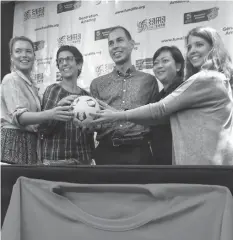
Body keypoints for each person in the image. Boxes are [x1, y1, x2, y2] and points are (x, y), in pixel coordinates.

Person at [91, 26, 233, 165]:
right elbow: (162, 119)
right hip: (197, 164)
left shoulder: (208, 78)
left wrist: (118, 115)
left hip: (207, 166)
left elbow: (160, 109)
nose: (192, 51)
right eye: (189, 47)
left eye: (199, 45)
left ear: (213, 47)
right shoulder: (211, 78)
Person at [90, 26, 159, 165]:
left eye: (120, 40)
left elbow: (154, 118)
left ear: (132, 44)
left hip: (140, 152)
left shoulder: (148, 81)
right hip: (106, 153)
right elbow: (94, 123)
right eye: (111, 43)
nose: (115, 46)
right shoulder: (97, 84)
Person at [1, 36, 73, 165]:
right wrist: (51, 113)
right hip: (13, 142)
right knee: (13, 183)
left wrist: (58, 106)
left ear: (34, 56)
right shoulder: (10, 79)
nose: (24, 55)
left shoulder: (32, 85)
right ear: (11, 56)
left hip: (31, 143)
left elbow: (37, 118)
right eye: (18, 51)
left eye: (28, 51)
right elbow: (21, 117)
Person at [39, 45, 94, 165]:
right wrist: (57, 110)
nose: (64, 63)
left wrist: (90, 127)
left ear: (79, 64)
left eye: (68, 59)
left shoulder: (87, 96)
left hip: (83, 160)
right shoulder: (52, 90)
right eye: (60, 61)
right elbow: (43, 128)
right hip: (56, 160)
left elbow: (91, 134)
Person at [151, 46, 185, 165]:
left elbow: (156, 115)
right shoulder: (158, 96)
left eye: (165, 61)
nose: (159, 66)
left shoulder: (184, 88)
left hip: (180, 162)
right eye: (156, 63)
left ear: (178, 66)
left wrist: (120, 115)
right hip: (161, 161)